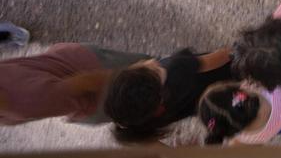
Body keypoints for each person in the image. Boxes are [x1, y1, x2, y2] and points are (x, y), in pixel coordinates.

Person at [104, 47, 232, 143]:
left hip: (214, 100)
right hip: (228, 73)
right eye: (156, 71)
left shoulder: (146, 120)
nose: (153, 62)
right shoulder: (176, 67)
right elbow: (221, 57)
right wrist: (234, 50)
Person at [0, 43, 146, 125]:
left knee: (148, 76)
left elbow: (90, 81)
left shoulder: (28, 99)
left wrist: (140, 72)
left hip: (95, 82)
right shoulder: (25, 101)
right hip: (74, 60)